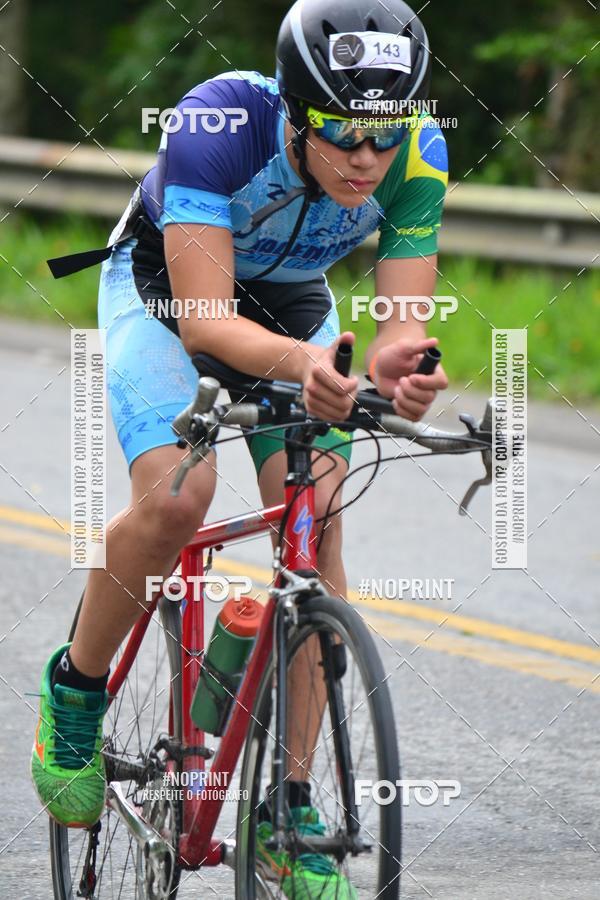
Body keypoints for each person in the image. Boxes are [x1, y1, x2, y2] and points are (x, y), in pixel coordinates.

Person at [32, 0, 449, 894]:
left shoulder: (419, 157)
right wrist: (308, 365)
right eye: (343, 133)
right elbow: (208, 322)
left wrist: (408, 366)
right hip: (168, 292)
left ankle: (288, 811)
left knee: (322, 512)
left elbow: (401, 328)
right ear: (297, 111)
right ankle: (76, 690)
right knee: (179, 498)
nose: (367, 160)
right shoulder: (215, 125)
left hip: (294, 301)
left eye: (387, 135)